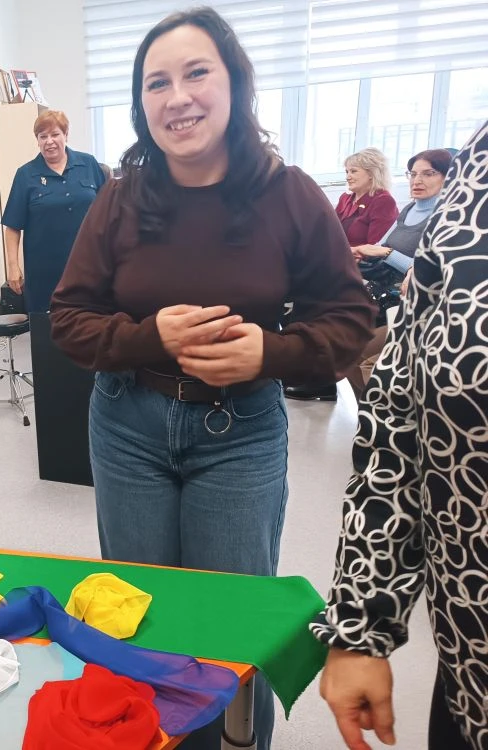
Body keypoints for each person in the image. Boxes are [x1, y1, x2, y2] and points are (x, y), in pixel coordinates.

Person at [49, 8, 374, 749]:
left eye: (197, 73)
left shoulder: (288, 194)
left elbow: (352, 318)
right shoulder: (120, 197)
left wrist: (272, 353)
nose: (177, 97)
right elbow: (68, 319)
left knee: (231, 623)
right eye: (156, 83)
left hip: (241, 430)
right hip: (128, 424)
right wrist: (147, 337)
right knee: (143, 614)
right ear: (141, 103)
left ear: (235, 85)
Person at [312, 120, 488, 750]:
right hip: (472, 663)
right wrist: (360, 626)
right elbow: (397, 429)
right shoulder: (474, 175)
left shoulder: (386, 204)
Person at [285, 147, 398, 402]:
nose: (348, 176)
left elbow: (376, 246)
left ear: (372, 173)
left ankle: (319, 377)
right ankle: (302, 367)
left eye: (354, 171)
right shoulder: (346, 200)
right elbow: (329, 233)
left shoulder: (383, 201)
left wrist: (345, 252)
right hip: (340, 263)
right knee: (301, 295)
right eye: (347, 171)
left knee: (315, 303)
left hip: (364, 270)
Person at [345, 148, 452, 399]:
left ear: (449, 177)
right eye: (413, 174)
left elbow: (432, 272)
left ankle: (385, 411)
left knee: (367, 363)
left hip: (419, 309)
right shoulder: (409, 210)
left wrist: (386, 253)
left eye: (428, 173)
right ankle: (369, 412)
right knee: (346, 355)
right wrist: (362, 252)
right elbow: (382, 245)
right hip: (390, 299)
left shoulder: (447, 217)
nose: (417, 180)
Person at [1, 111, 106, 313]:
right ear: (37, 141)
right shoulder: (26, 174)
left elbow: (108, 212)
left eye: (55, 134)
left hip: (89, 268)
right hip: (44, 275)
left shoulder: (88, 164)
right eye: (43, 136)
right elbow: (12, 226)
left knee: (91, 324)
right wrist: (13, 266)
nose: (49, 141)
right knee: (46, 328)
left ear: (66, 135)